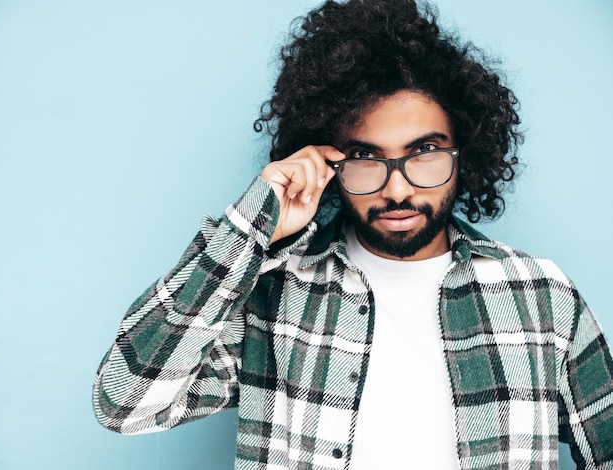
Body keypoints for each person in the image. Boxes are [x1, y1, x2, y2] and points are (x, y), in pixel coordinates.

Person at [92, 0, 613, 468]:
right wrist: (252, 227)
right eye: (366, 158)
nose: (398, 189)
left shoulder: (541, 294)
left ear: (465, 154)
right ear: (327, 162)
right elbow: (124, 402)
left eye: (425, 153)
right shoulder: (273, 297)